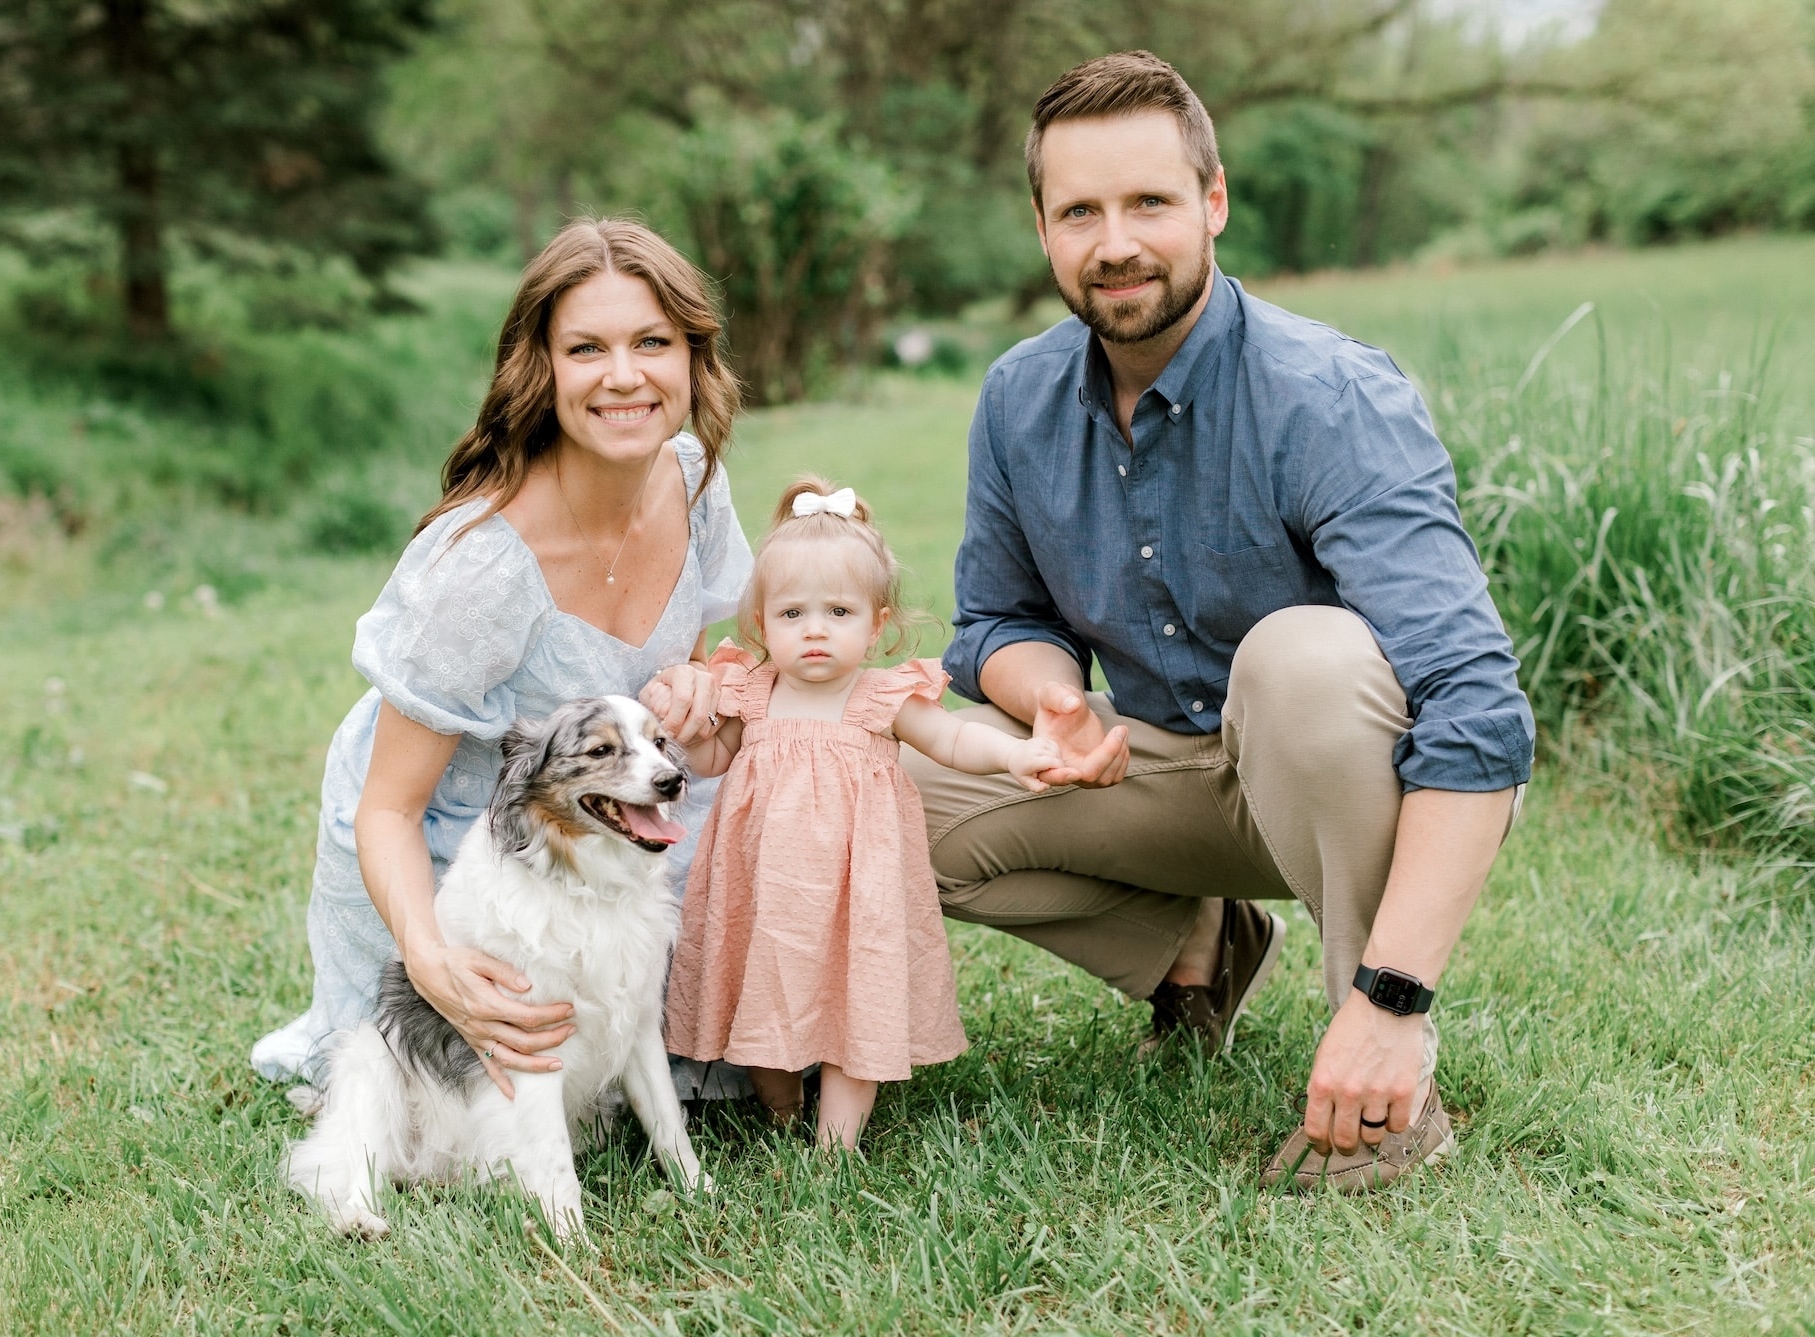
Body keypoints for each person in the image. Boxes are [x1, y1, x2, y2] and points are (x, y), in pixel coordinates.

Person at [900, 51, 1534, 1191]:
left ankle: (1387, 1067)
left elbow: (1479, 707)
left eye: (1149, 201)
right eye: (1080, 210)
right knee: (875, 789)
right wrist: (1048, 695)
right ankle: (1199, 950)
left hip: (1341, 783)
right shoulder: (1016, 398)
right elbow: (995, 618)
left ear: (1214, 202)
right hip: (1163, 774)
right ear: (1041, 228)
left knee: (1300, 654)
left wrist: (1396, 997)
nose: (1116, 242)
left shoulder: (1330, 395)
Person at [251, 218, 755, 1101]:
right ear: (542, 369)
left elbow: (715, 647)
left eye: (652, 342)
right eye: (587, 347)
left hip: (619, 798)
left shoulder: (694, 477)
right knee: (476, 1082)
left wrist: (704, 677)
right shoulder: (481, 565)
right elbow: (387, 809)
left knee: (790, 820)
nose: (626, 375)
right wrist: (434, 956)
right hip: (463, 845)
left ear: (693, 359)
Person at [654, 479, 1061, 1149]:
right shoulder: (753, 692)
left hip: (854, 897)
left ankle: (834, 1147)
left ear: (877, 624)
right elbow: (710, 758)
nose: (815, 629)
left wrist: (1015, 755)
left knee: (855, 1005)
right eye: (792, 615)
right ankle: (782, 1114)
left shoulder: (882, 696)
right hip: (766, 894)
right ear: (759, 624)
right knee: (763, 999)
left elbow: (954, 739)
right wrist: (686, 731)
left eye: (839, 611)